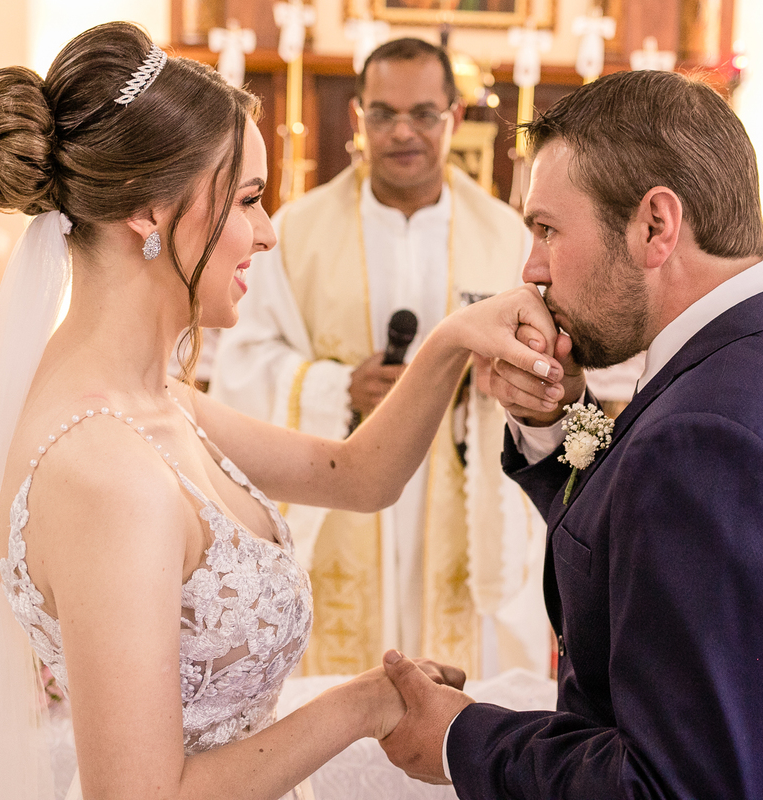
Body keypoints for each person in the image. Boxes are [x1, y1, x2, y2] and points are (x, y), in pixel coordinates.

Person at [0, 22, 563, 800]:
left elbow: (357, 475)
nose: (270, 232)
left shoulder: (155, 401)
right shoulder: (105, 472)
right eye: (248, 199)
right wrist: (363, 704)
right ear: (149, 210)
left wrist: (450, 341)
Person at [377, 69, 763, 798]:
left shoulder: (712, 444)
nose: (530, 268)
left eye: (548, 229)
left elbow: (679, 787)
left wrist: (460, 738)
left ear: (656, 225)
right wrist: (556, 420)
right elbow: (647, 548)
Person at [209, 37, 548, 680]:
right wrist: (339, 388)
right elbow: (243, 363)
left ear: (453, 116)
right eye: (382, 113)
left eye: (423, 113)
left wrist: (499, 374)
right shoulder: (298, 230)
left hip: (458, 479)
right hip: (340, 485)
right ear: (358, 115)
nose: (402, 132)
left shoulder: (505, 235)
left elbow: (542, 358)